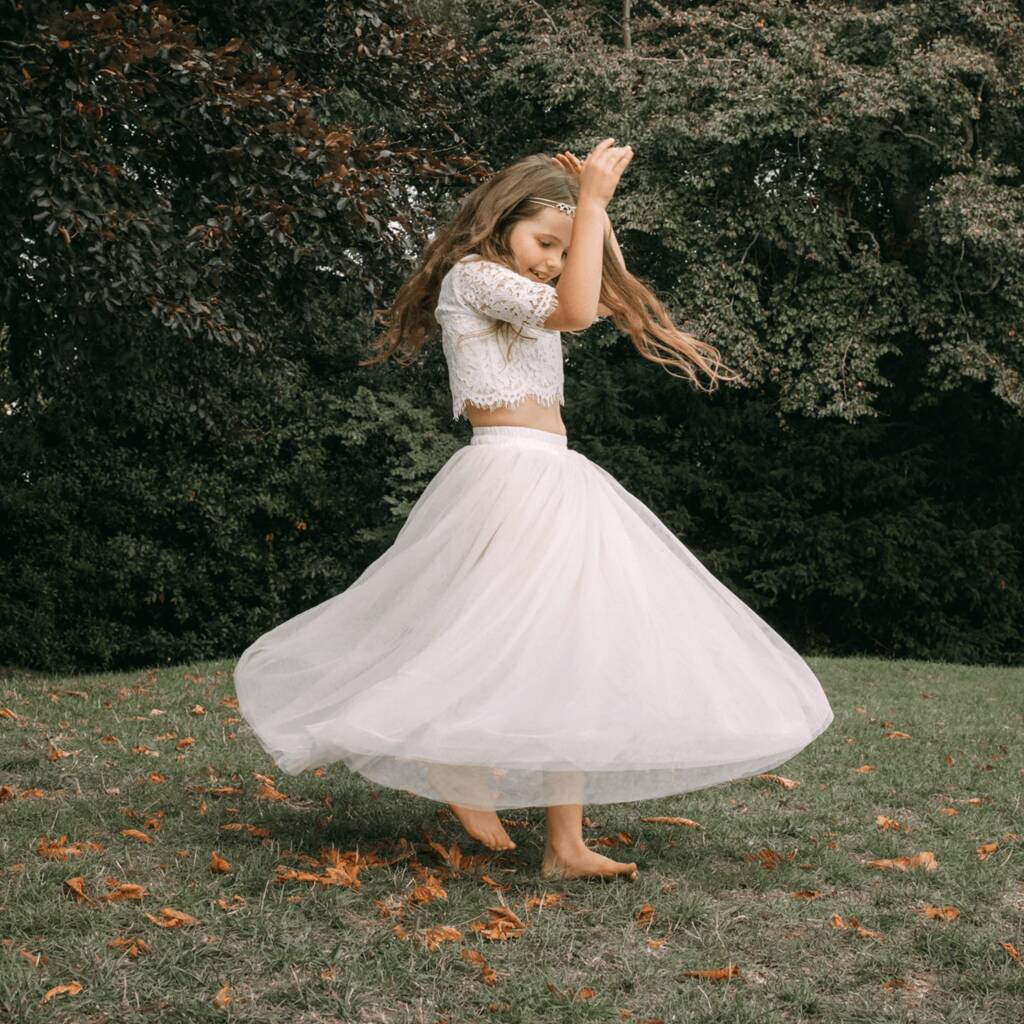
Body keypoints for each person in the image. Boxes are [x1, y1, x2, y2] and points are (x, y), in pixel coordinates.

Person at [233, 139, 835, 883]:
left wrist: (594, 217)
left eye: (564, 249)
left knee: (571, 646)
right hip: (509, 473)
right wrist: (590, 204)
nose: (554, 261)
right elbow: (579, 311)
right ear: (500, 220)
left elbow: (603, 291)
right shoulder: (474, 275)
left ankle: (565, 844)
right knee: (489, 631)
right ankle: (451, 757)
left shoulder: (529, 289)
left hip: (555, 474)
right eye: (545, 242)